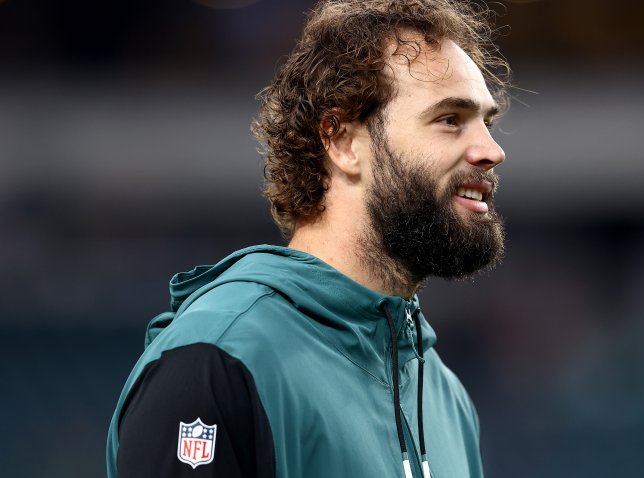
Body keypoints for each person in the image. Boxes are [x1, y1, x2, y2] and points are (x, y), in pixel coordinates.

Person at [105, 0, 511, 476]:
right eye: (450, 119)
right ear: (341, 142)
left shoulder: (445, 397)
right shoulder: (216, 361)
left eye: (487, 121)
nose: (491, 150)